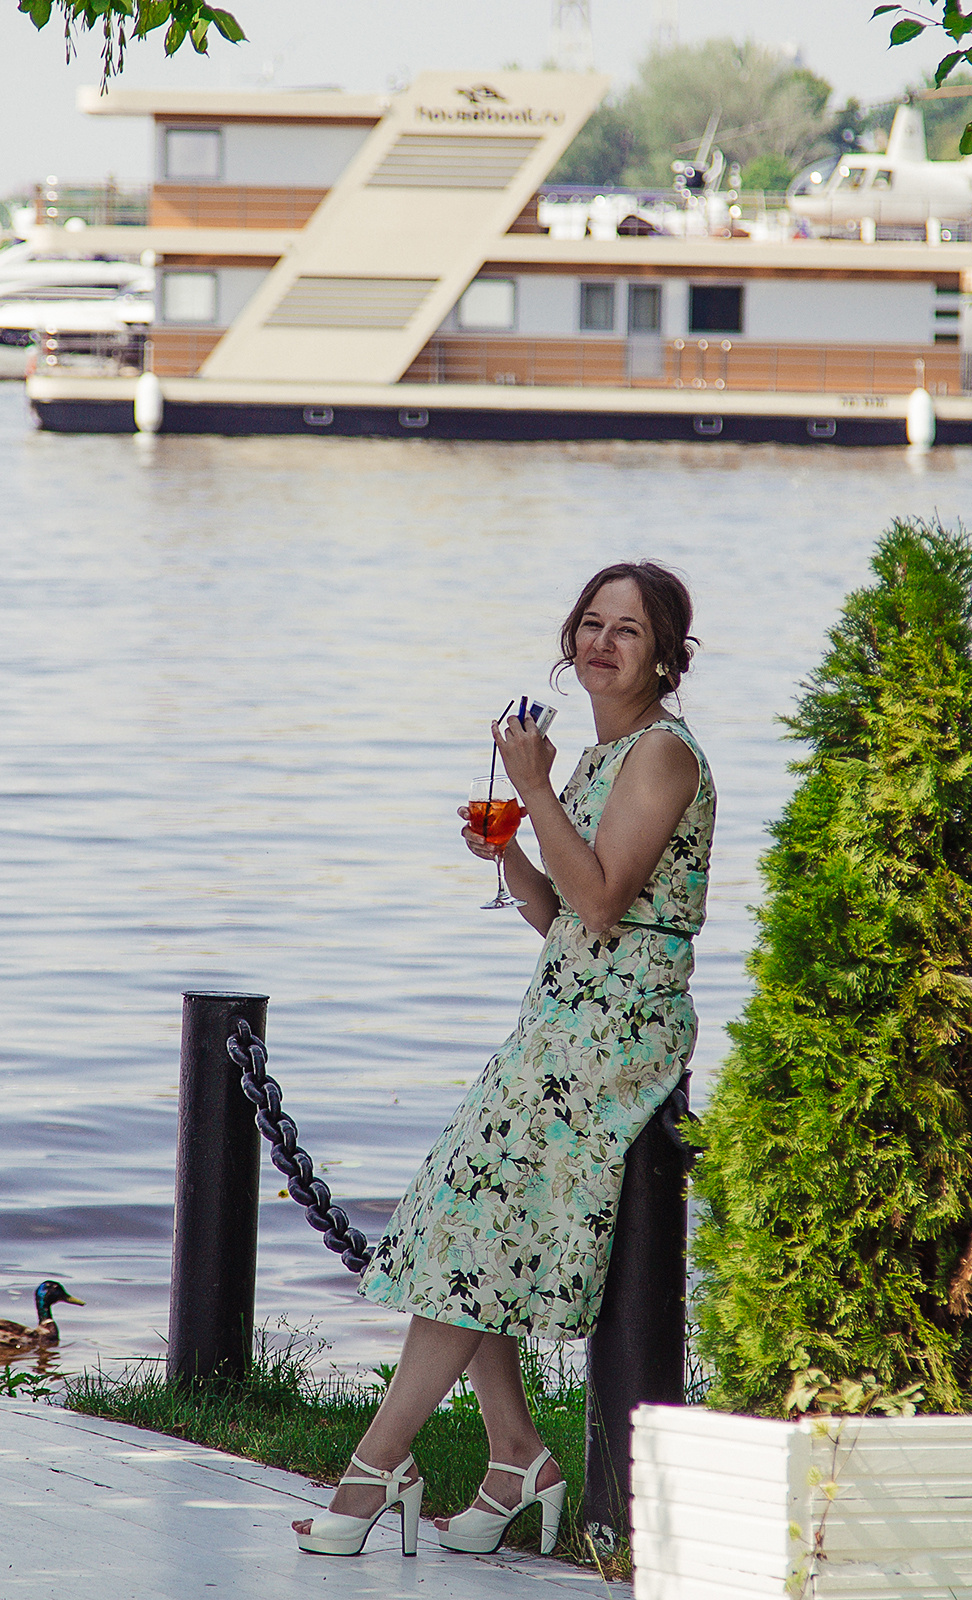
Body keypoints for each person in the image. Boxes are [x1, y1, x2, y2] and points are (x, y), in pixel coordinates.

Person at [292, 562, 714, 1559]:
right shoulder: (605, 756)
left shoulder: (662, 755)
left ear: (665, 656)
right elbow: (559, 913)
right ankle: (516, 1457)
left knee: (467, 1229)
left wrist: (530, 788)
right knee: (459, 1218)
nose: (602, 643)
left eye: (628, 630)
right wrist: (512, 852)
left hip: (616, 1034)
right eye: (591, 624)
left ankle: (376, 1468)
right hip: (561, 1020)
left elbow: (602, 906)